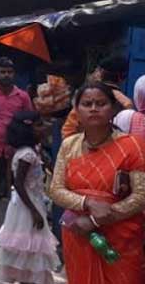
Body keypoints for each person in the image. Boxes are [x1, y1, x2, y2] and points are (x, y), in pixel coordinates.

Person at [49, 82, 145, 284]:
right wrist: (87, 203)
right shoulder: (69, 145)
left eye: (101, 103)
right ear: (77, 110)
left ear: (113, 109)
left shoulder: (132, 146)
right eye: (87, 103)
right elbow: (56, 189)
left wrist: (94, 221)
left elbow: (140, 197)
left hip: (121, 238)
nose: (93, 108)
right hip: (78, 234)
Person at [0, 110, 61, 284]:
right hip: (28, 206)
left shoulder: (32, 151)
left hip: (27, 203)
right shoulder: (27, 155)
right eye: (39, 125)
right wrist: (34, 212)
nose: (44, 128)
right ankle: (26, 279)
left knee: (28, 248)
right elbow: (18, 183)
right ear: (27, 131)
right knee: (30, 245)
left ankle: (26, 278)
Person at [0, 56, 34, 238]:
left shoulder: (23, 97)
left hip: (16, 150)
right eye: (2, 72)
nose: (6, 75)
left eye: (9, 72)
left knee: (16, 189)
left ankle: (13, 229)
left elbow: (30, 119)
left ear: (14, 75)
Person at [62, 55, 134, 138]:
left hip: (84, 148)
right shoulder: (126, 103)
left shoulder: (85, 98)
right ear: (122, 78)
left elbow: (68, 131)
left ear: (101, 72)